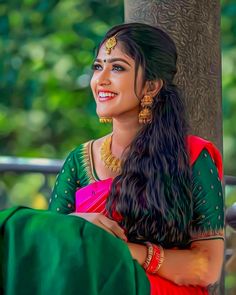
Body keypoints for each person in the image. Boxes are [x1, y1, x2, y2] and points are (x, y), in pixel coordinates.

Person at [49, 23, 224, 294]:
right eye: (98, 67)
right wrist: (78, 223)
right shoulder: (79, 160)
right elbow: (48, 243)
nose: (100, 79)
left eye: (117, 68)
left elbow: (207, 266)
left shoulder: (192, 157)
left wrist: (126, 251)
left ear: (151, 86)